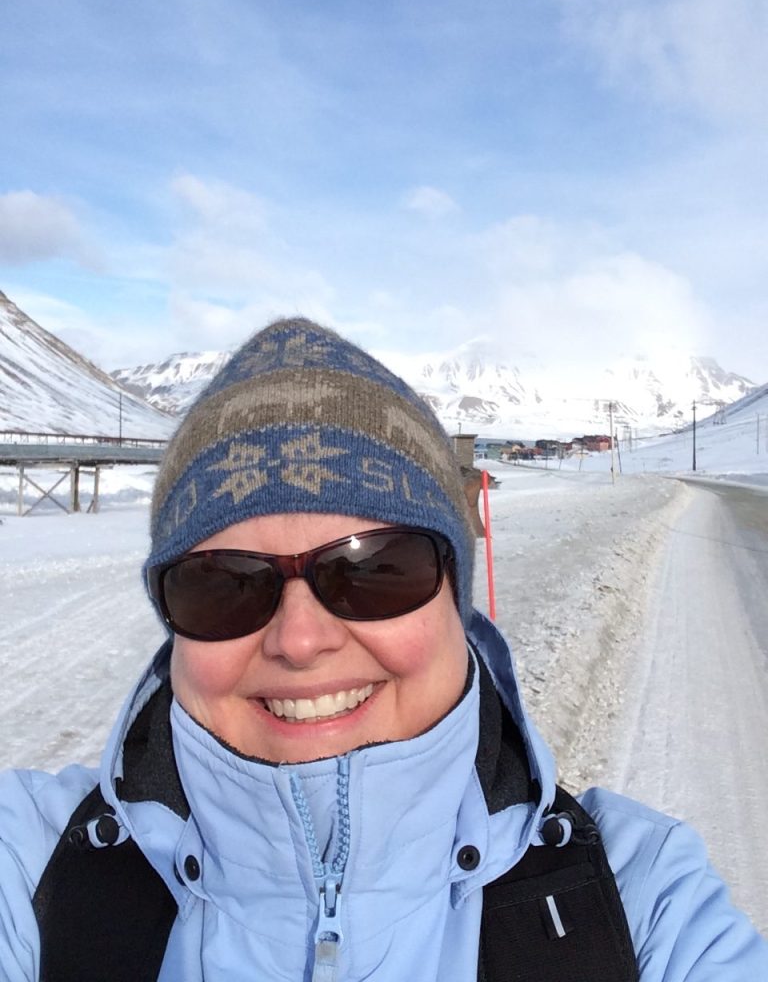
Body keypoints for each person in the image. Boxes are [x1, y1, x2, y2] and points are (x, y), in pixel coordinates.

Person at [0, 316, 766, 981]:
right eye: (223, 583)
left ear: (454, 600)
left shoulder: (637, 897)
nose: (301, 641)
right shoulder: (33, 868)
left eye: (375, 572)